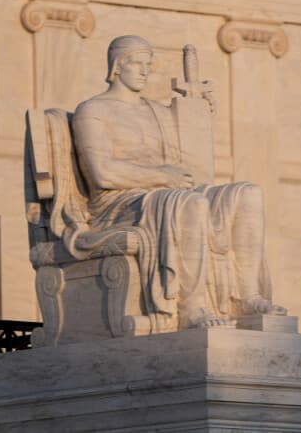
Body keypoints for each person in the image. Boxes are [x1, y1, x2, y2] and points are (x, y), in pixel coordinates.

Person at [72, 35, 285, 328]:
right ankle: (191, 307)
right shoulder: (93, 111)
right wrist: (161, 176)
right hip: (117, 204)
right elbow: (101, 173)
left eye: (148, 64)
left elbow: (189, 157)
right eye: (137, 63)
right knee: (191, 203)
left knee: (247, 193)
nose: (145, 71)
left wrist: (201, 111)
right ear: (117, 66)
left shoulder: (157, 111)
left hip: (163, 194)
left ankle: (246, 295)